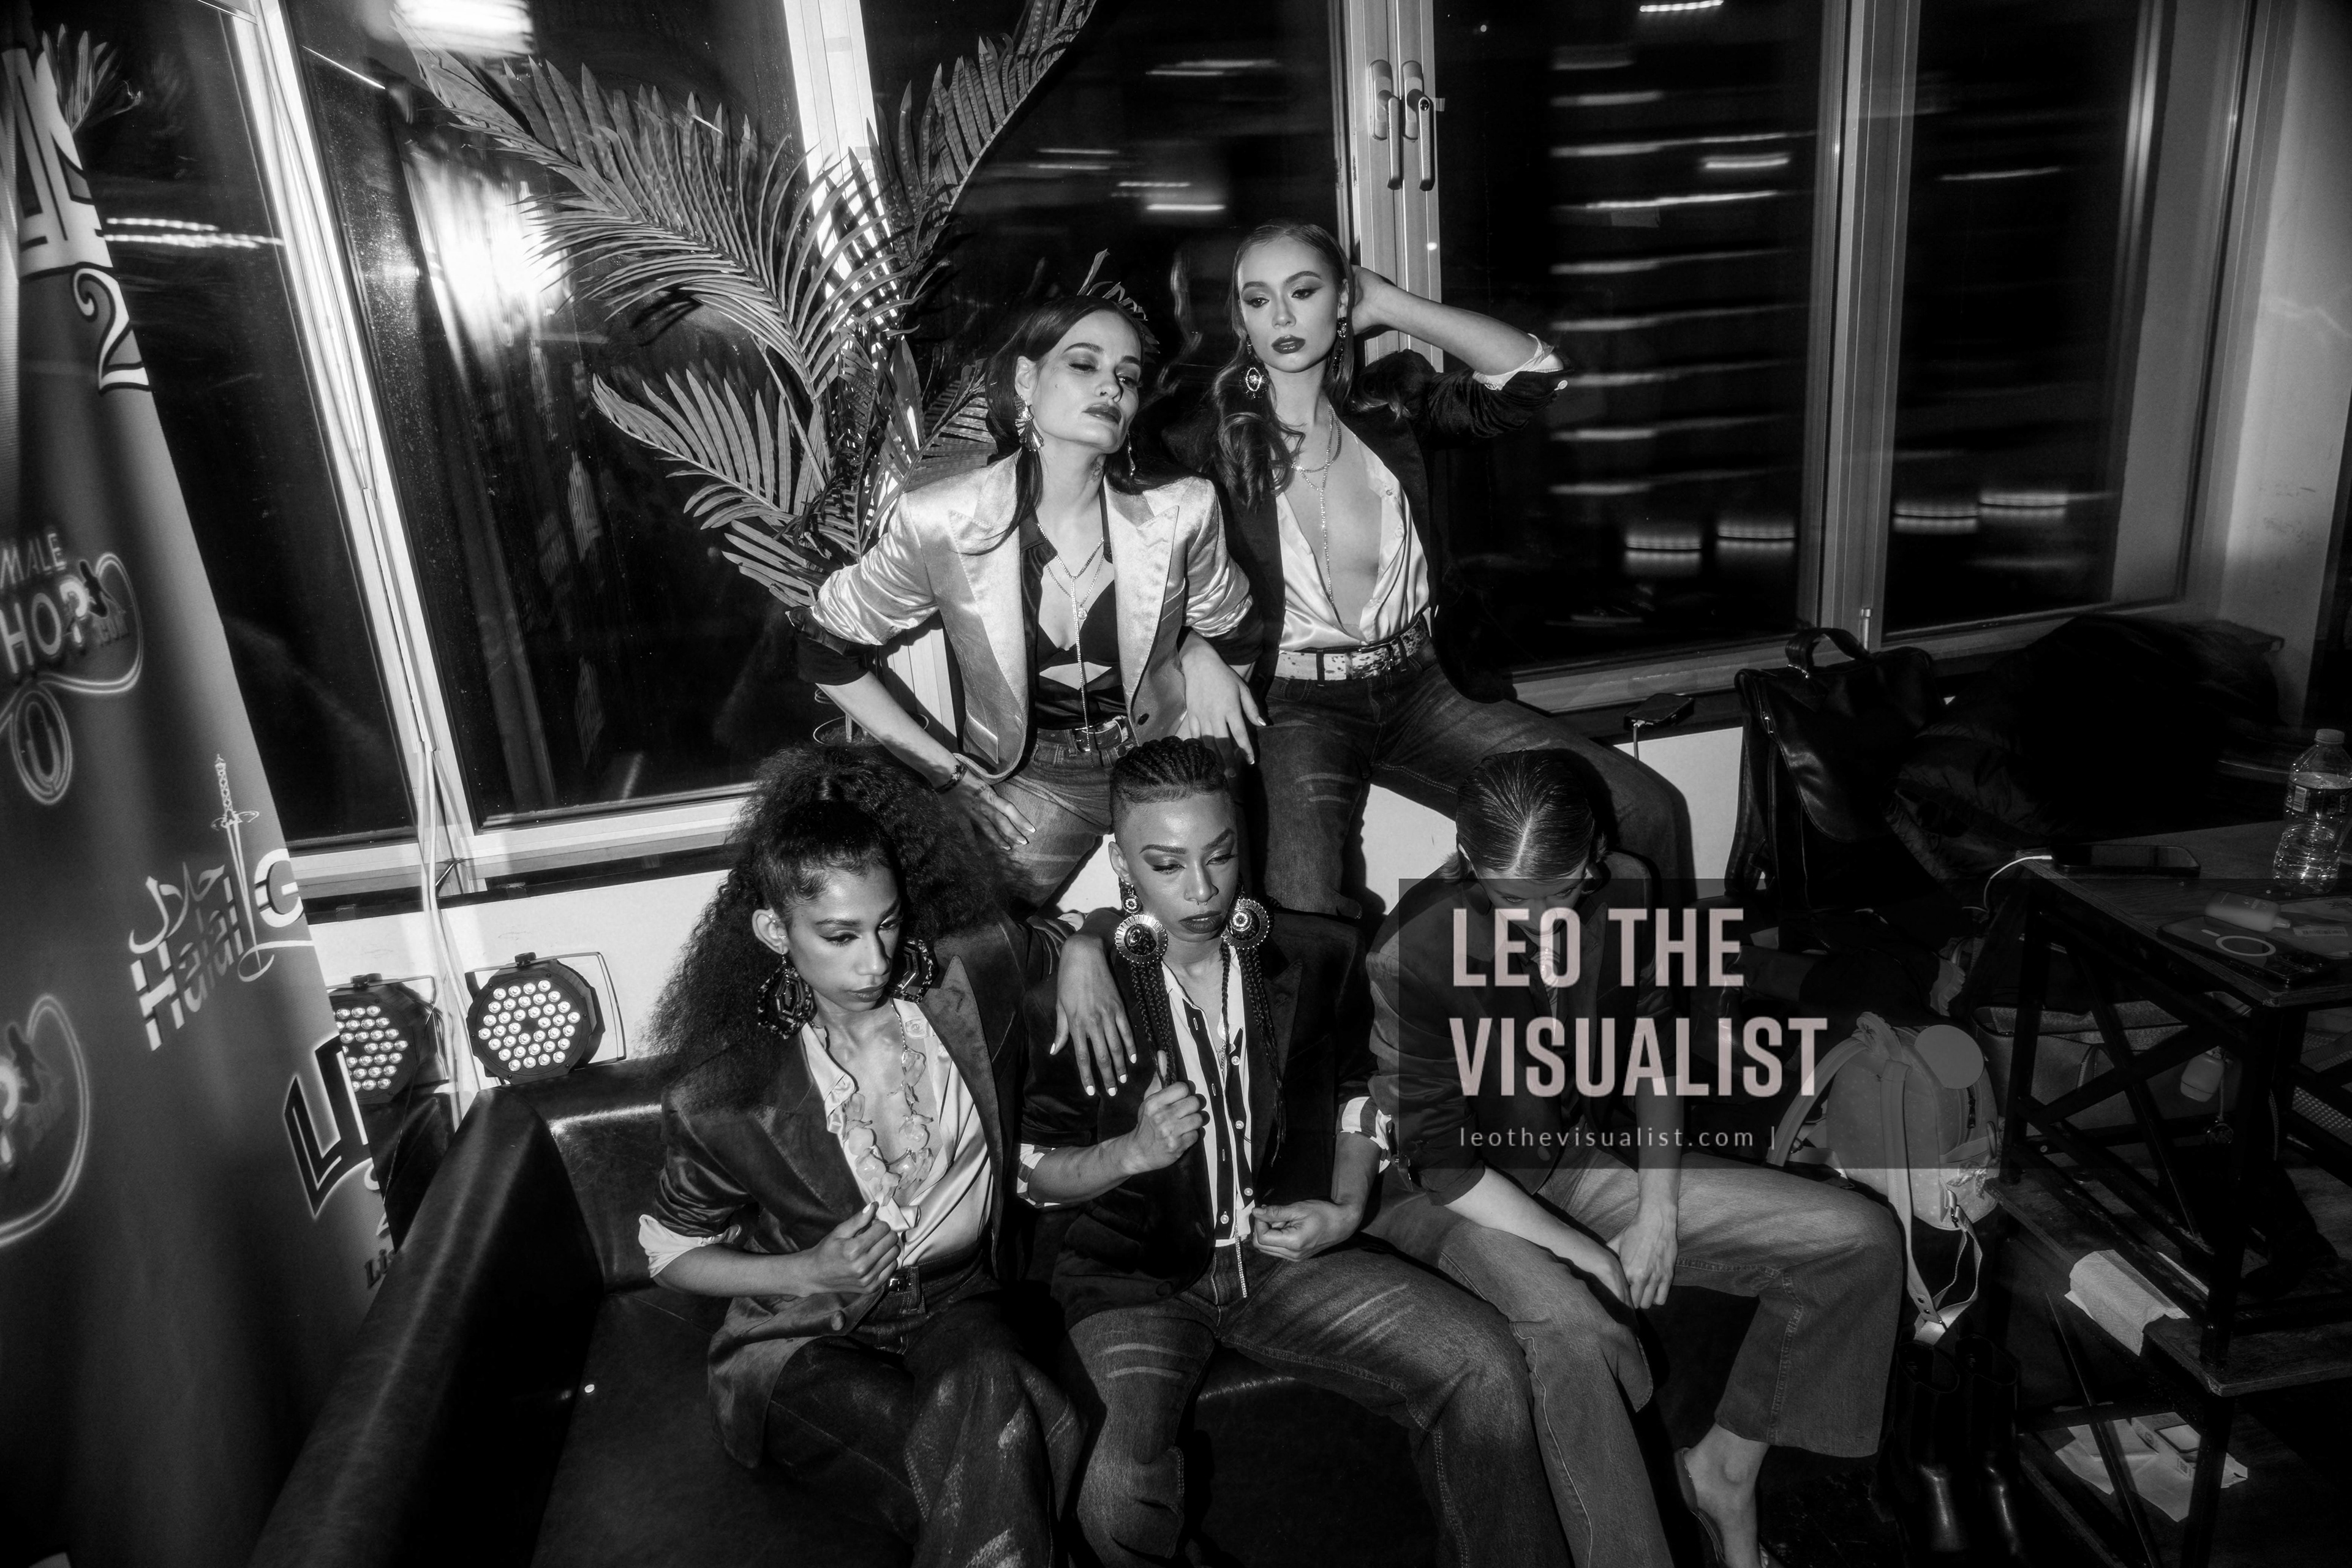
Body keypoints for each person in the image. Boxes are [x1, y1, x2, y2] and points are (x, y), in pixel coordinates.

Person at [1017, 736, 1570, 1568]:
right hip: (1134, 1283)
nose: (1200, 889)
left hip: (1282, 1258)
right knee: (1111, 1492)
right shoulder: (1078, 995)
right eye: (1166, 864)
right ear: (1122, 863)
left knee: (1485, 1364)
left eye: (1219, 856)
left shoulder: (1317, 955)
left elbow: (1358, 1093)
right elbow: (1033, 1171)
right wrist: (1128, 1154)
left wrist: (1345, 1207)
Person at [1355, 749, 1905, 1568]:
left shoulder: (1630, 890)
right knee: (1577, 1335)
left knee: (1860, 1240)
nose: (1540, 920)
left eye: (1562, 891)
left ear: (1596, 852)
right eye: (1511, 899)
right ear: (1468, 859)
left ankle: (1723, 1473)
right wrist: (1587, 1256)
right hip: (1452, 1199)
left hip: (1574, 1161)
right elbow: (1440, 1163)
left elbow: (1655, 1050)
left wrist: (1657, 1212)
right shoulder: (1412, 951)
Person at [1156, 221, 1689, 914]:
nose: (1281, 316)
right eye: (1258, 300)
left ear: (1342, 300)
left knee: (1643, 807)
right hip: (1293, 706)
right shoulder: (1204, 439)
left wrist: (1391, 303)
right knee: (1300, 905)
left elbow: (1533, 378)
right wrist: (1191, 647)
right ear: (1241, 320)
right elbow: (1133, 564)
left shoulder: (1391, 409)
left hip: (1423, 687)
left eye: (1304, 291)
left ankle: (1653, 979)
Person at [636, 750, 1085, 1566]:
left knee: (990, 1394)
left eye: (887, 924)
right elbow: (669, 1252)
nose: (873, 960)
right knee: (997, 1456)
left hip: (959, 1302)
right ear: (776, 932)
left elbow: (1063, 937)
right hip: (799, 1340)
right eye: (839, 936)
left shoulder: (972, 982)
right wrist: (806, 1270)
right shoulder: (724, 1094)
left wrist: (1088, 947)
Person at [796, 292, 1263, 908]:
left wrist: (1201, 655)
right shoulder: (942, 521)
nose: (1112, 387)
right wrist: (944, 770)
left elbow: (1237, 628)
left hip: (1168, 761)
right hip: (1035, 777)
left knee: (1224, 929)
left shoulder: (1184, 508)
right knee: (968, 945)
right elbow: (824, 647)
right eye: (1084, 364)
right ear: (1025, 379)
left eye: (1127, 377)